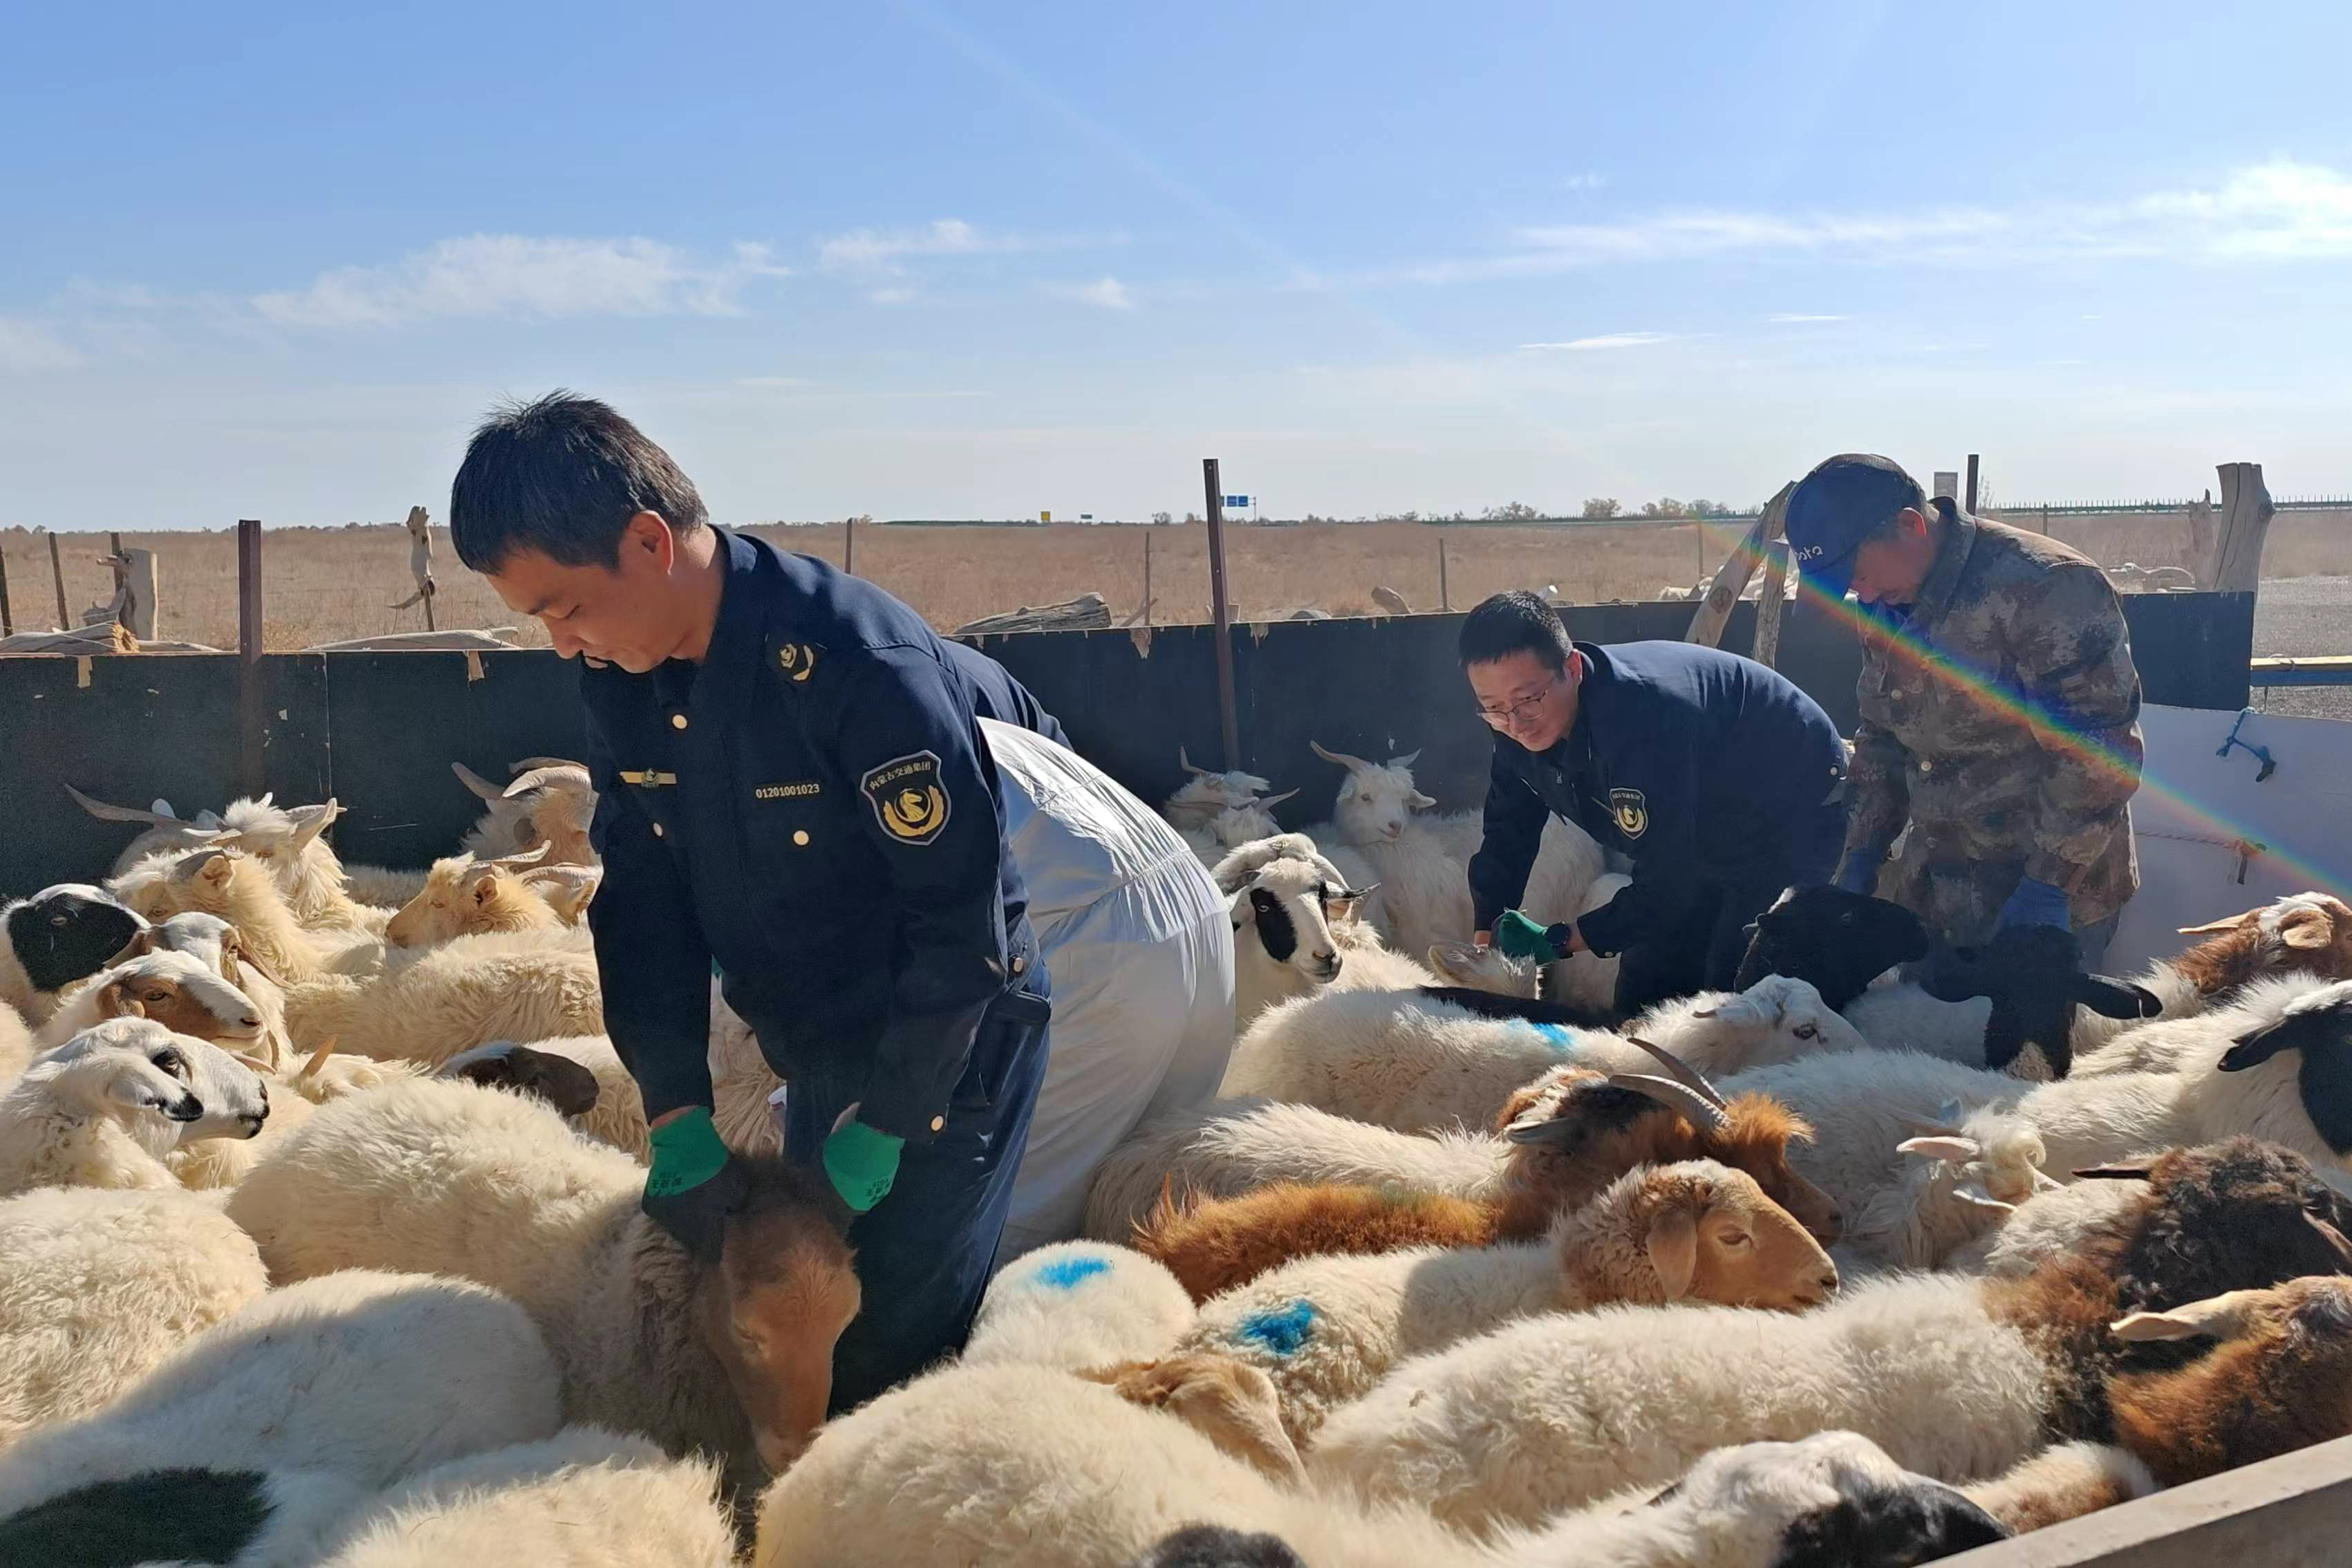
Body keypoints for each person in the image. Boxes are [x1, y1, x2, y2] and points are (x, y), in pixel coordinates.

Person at [449, 391, 1089, 1410]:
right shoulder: (626, 674)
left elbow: (955, 922)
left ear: (649, 543)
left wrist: (889, 1120)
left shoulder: (857, 669)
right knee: (791, 1314)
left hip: (945, 1043)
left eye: (563, 606)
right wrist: (674, 1108)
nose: (562, 643)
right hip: (810, 1034)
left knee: (885, 1347)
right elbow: (642, 901)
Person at [1782, 454, 2143, 969]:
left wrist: (2048, 884)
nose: (1856, 592)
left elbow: (2098, 755)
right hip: (1936, 891)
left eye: (1854, 571)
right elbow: (1883, 733)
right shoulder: (1885, 596)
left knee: (2024, 1050)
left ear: (1910, 527)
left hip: (2044, 897)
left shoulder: (2046, 587)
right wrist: (1861, 850)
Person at [1463, 590, 1849, 1014]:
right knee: (1646, 993)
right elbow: (1508, 830)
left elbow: (1669, 884)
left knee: (1733, 994)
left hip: (1785, 807)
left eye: (1528, 701)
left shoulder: (1645, 722)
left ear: (1571, 668)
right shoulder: (1514, 726)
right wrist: (1488, 938)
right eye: (1494, 709)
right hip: (1697, 816)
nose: (1514, 724)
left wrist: (1558, 940)